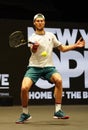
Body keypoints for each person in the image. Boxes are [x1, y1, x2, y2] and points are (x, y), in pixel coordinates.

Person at [16, 13, 85, 124]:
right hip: (34, 67)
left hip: (49, 67)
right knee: (24, 88)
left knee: (59, 80)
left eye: (41, 21)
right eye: (37, 21)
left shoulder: (51, 36)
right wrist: (34, 47)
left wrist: (75, 46)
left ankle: (58, 111)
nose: (40, 22)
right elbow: (33, 51)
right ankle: (25, 113)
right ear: (34, 23)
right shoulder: (32, 38)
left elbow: (62, 48)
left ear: (44, 22)